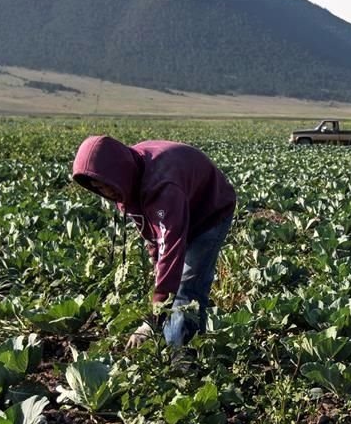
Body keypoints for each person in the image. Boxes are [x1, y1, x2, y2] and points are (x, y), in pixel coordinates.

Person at [72, 135, 236, 347]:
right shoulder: (123, 181)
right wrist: (158, 267)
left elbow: (171, 247)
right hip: (181, 202)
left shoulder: (162, 186)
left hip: (210, 210)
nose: (107, 192)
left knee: (187, 288)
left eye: (107, 185)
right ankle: (171, 339)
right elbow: (153, 232)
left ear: (117, 171)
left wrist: (152, 320)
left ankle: (182, 359)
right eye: (100, 187)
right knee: (170, 281)